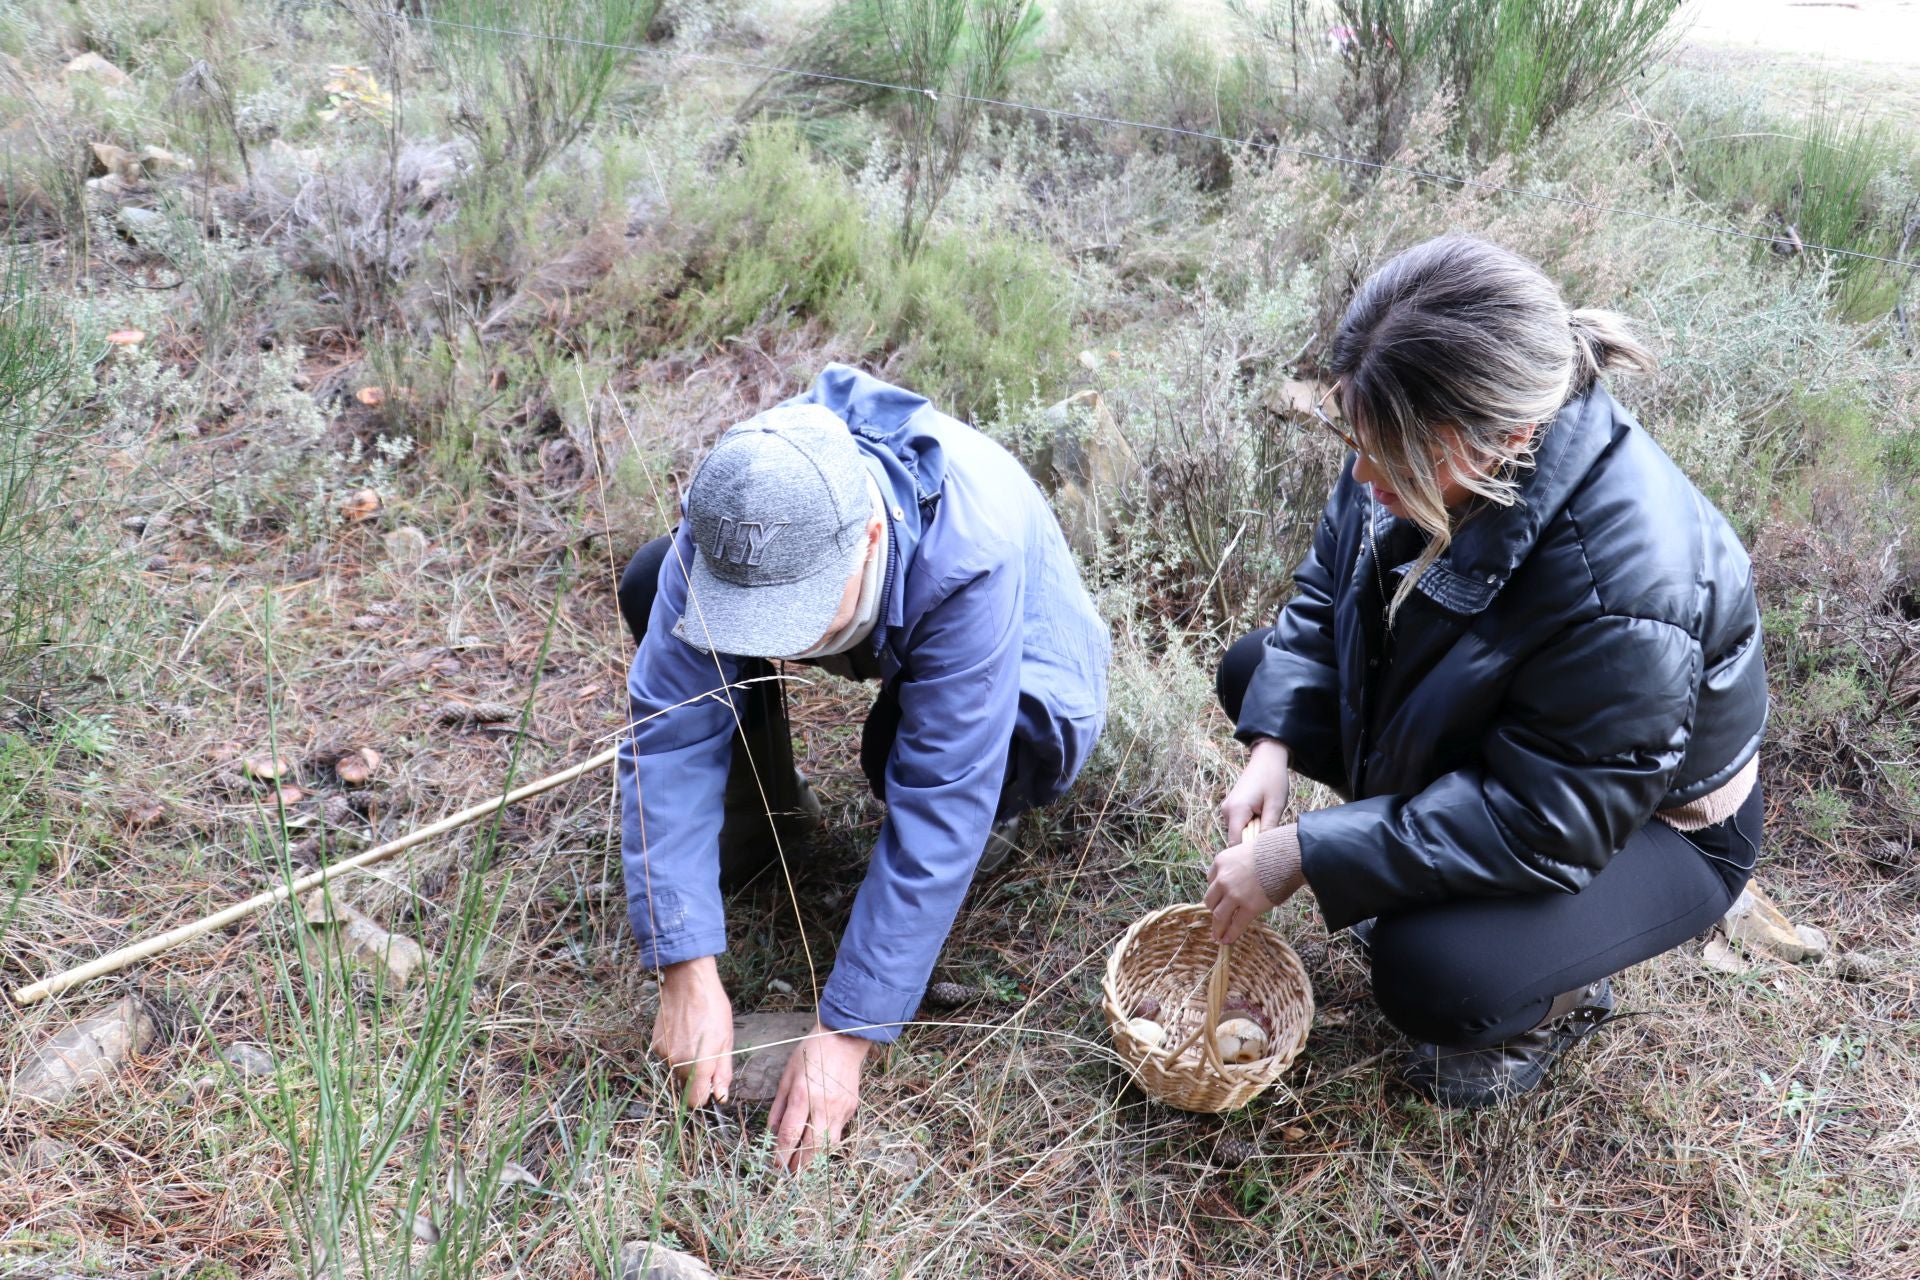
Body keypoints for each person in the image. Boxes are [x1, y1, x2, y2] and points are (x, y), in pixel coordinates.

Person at [1203, 235, 1767, 1108]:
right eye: (1355, 435)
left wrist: (1303, 851)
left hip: (1643, 825)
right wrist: (1271, 743)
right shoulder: (1418, 430)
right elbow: (1327, 589)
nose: (1360, 474)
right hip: (1516, 746)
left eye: (1386, 453)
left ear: (1506, 435)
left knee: (1436, 972)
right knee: (1256, 672)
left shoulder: (1627, 583)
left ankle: (1555, 998)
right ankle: (1425, 876)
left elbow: (1547, 821)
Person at [616, 363, 1110, 1166]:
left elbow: (940, 810)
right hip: (880, 596)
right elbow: (669, 730)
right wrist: (684, 959)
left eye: (795, 614)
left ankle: (1003, 820)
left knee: (916, 757)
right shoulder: (743, 495)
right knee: (651, 585)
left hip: (1025, 658)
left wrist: (845, 1033)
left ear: (870, 537)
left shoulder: (969, 557)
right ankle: (763, 819)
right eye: (757, 618)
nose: (772, 642)